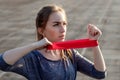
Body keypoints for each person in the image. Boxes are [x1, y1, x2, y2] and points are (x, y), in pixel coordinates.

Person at [0, 5, 106, 80]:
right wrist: (34, 46)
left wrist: (94, 43)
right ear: (41, 30)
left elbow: (99, 73)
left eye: (64, 24)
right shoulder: (33, 58)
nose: (63, 29)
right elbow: (2, 63)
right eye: (56, 24)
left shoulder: (69, 53)